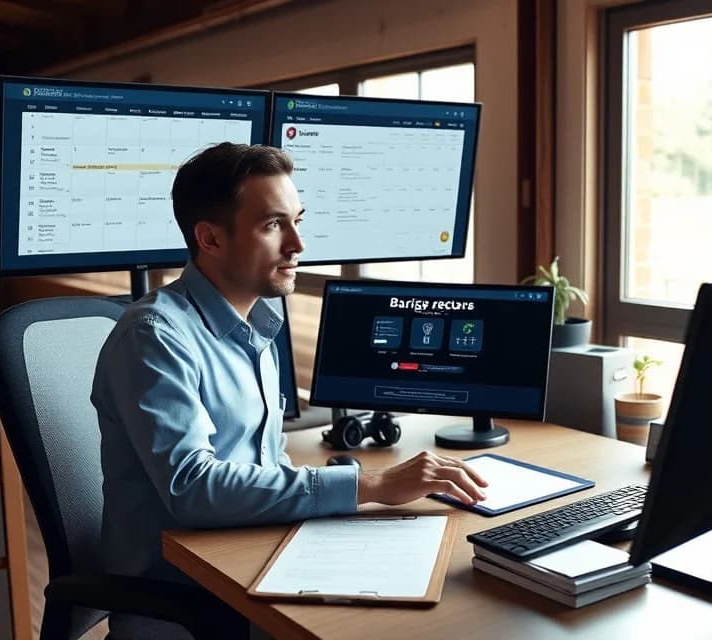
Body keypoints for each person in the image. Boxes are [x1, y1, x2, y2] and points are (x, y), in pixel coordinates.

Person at [90, 143, 488, 639]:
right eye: (273, 225)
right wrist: (369, 485)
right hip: (190, 604)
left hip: (254, 560)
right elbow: (192, 488)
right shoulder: (153, 336)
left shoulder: (258, 324)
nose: (298, 244)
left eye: (297, 221)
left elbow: (263, 463)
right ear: (210, 238)